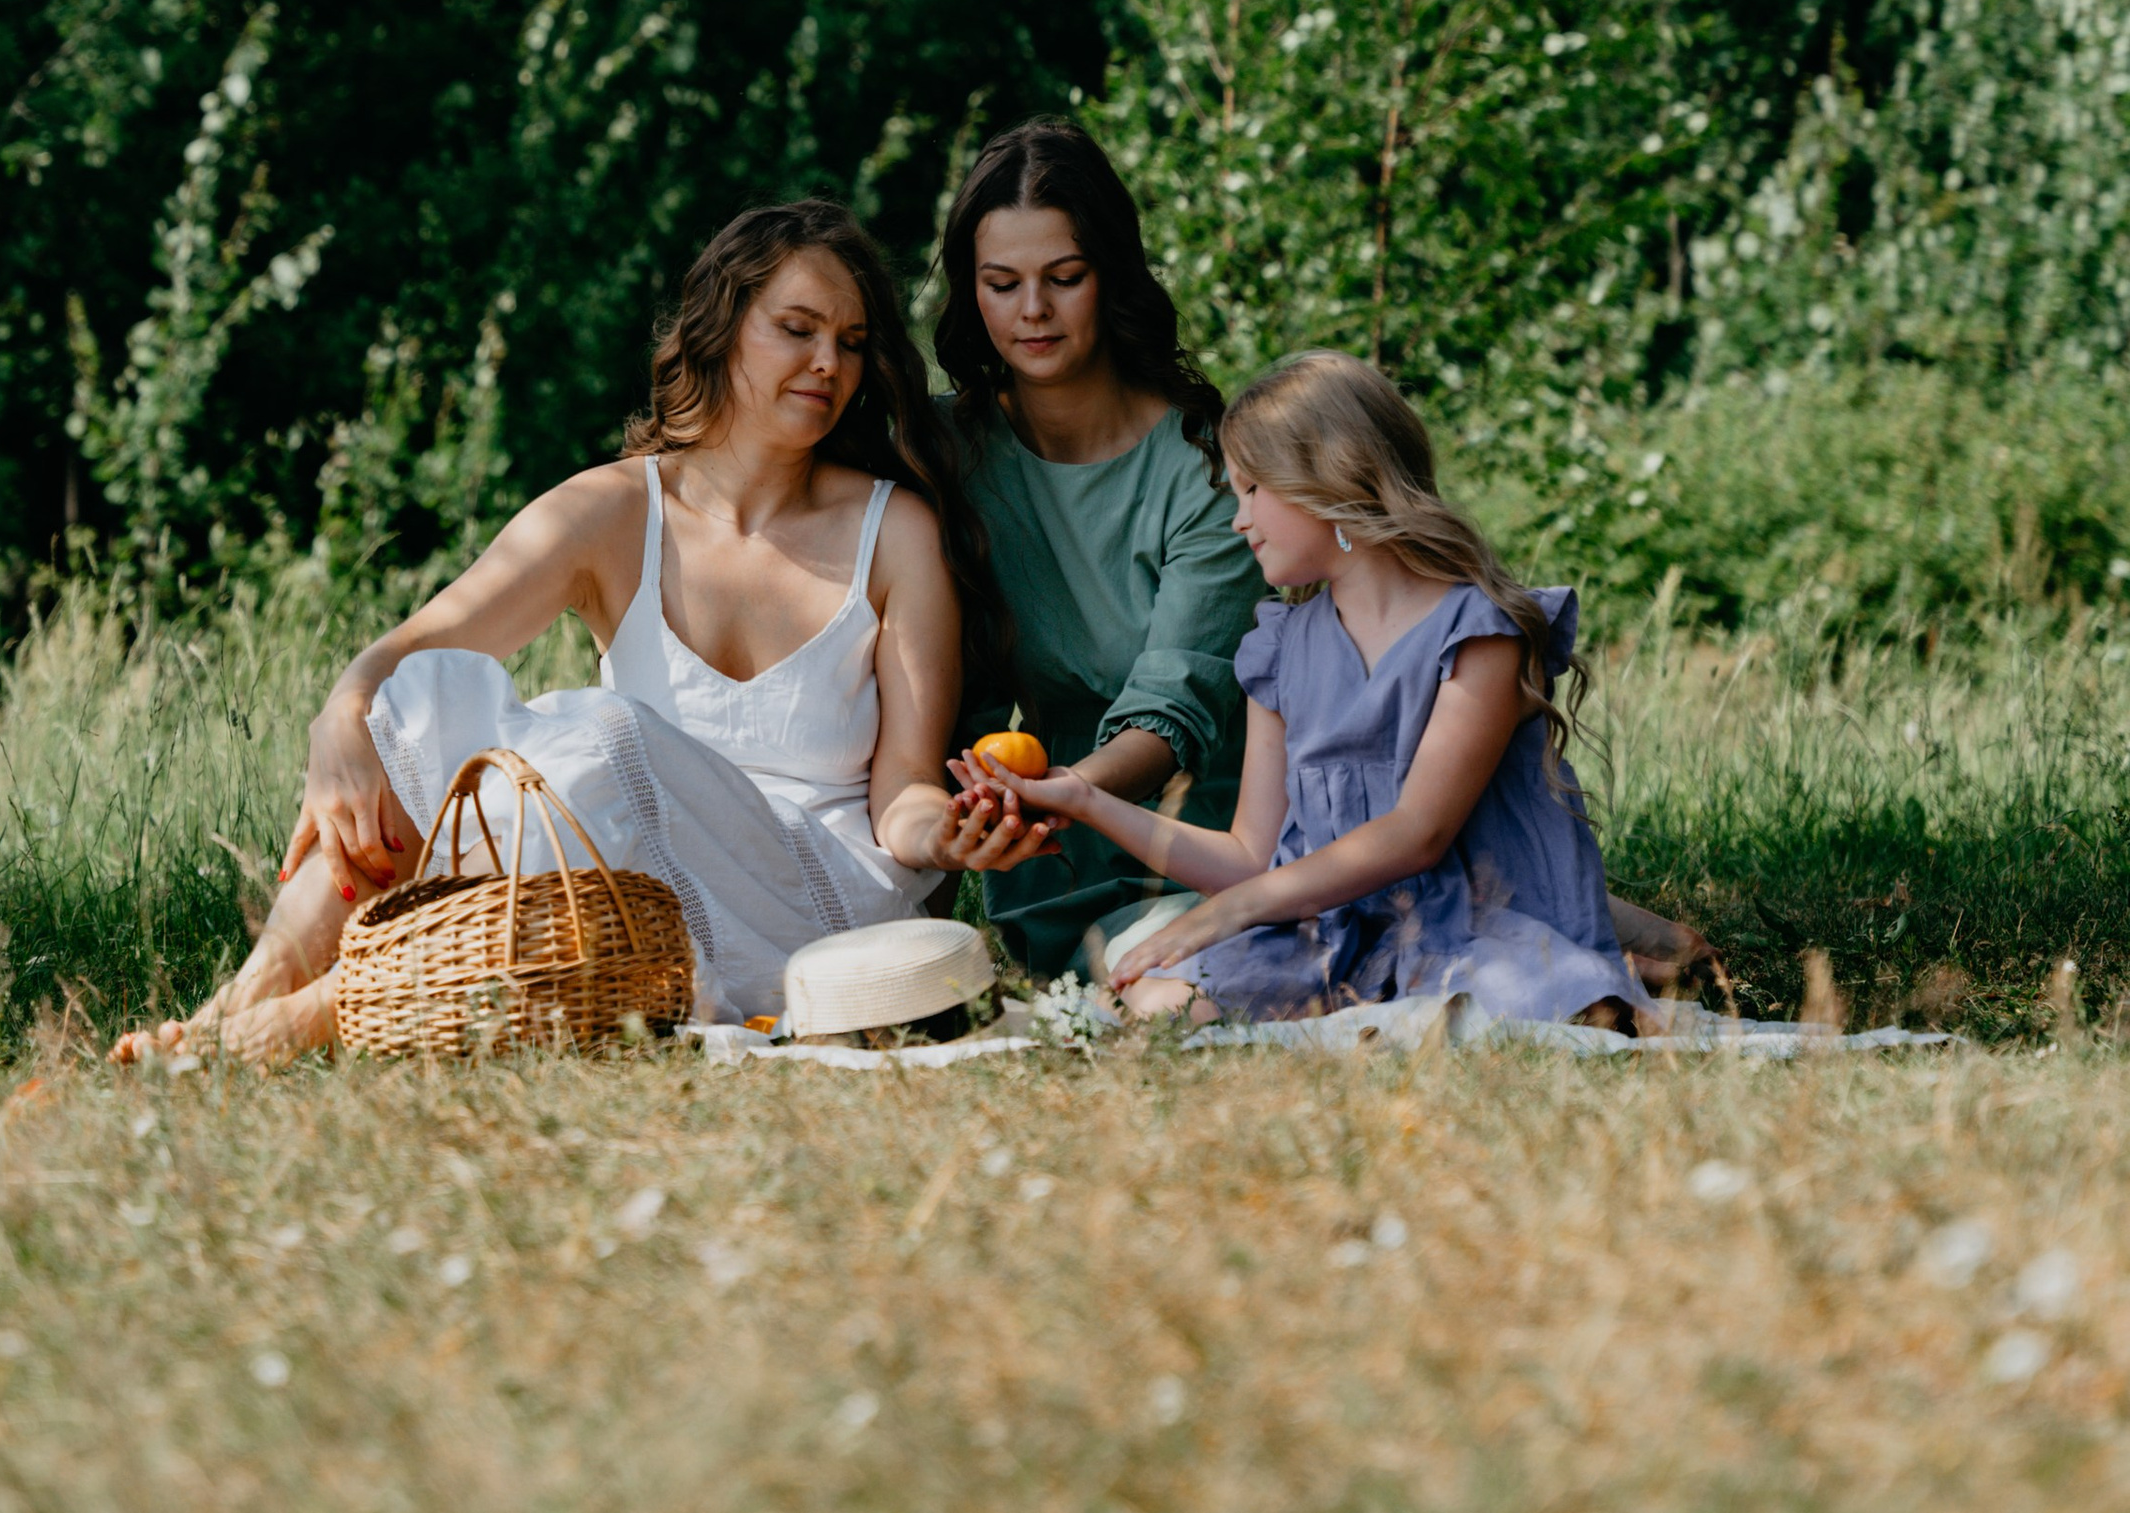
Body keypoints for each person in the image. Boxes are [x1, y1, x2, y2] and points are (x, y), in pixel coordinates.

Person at [115, 201, 1051, 1061]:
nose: (828, 365)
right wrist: (341, 718)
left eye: (851, 343)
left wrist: (957, 836)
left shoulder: (896, 532)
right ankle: (231, 1010)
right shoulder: (613, 511)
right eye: (796, 330)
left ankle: (305, 1021)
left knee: (603, 736)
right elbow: (423, 644)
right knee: (423, 707)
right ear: (722, 332)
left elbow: (902, 799)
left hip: (811, 905)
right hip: (619, 899)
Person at [964, 349, 1642, 1031]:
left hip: (1462, 927)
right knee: (1160, 999)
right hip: (1328, 937)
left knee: (1565, 1009)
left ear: (1332, 473)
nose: (1239, 519)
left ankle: (1617, 969)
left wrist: (1234, 909)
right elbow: (1245, 858)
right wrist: (1083, 798)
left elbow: (1418, 833)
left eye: (1253, 489)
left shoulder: (1477, 632)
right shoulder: (1281, 649)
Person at [933, 120, 1262, 983]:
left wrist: (1067, 795)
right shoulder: (947, 454)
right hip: (1040, 860)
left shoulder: (1204, 466)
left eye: (1063, 279)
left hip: (1206, 842)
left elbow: (1174, 706)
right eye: (1001, 284)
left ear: (1109, 277)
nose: (1032, 311)